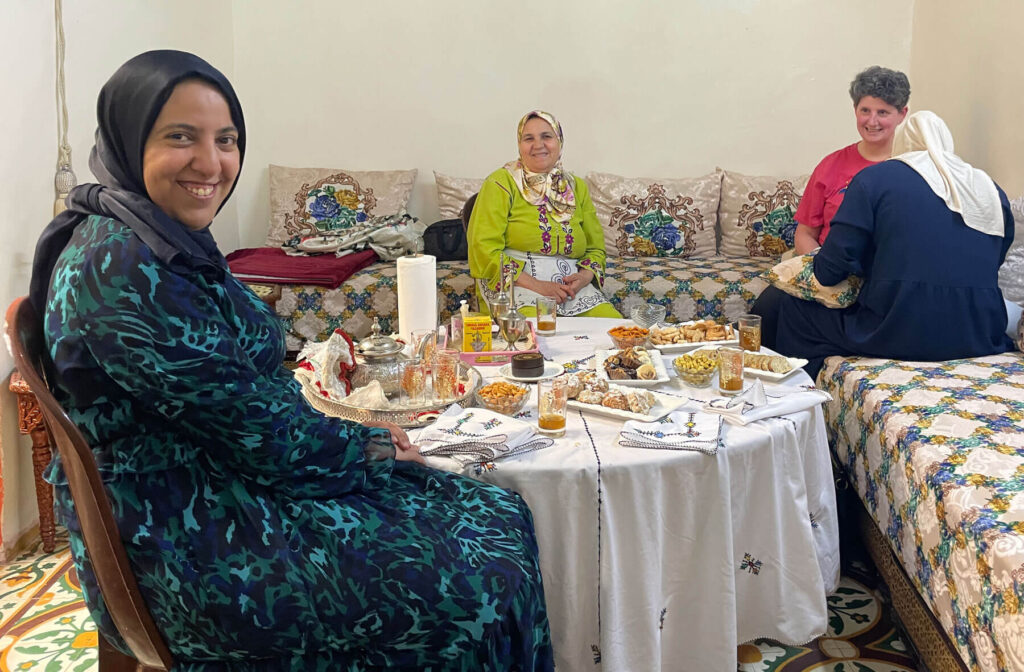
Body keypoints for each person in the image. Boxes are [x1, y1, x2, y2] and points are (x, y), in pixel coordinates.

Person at [29, 50, 554, 671]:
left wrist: (361, 438)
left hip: (221, 485)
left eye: (226, 139)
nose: (211, 161)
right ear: (127, 136)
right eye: (179, 137)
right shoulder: (122, 270)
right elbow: (254, 429)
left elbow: (240, 410)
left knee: (494, 507)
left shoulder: (151, 236)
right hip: (192, 544)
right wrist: (370, 446)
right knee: (484, 570)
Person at [765, 110, 1014, 380]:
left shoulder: (875, 179)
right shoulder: (990, 190)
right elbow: (994, 260)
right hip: (980, 333)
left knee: (793, 310)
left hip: (898, 330)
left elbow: (828, 270)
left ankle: (799, 403)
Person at [468, 110, 622, 317]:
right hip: (517, 283)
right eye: (528, 138)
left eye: (547, 137)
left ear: (559, 142)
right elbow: (483, 248)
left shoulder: (576, 187)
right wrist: (539, 286)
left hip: (571, 288)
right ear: (519, 145)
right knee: (534, 336)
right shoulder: (500, 183)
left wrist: (583, 278)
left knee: (611, 328)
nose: (538, 145)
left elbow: (595, 248)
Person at [793, 66, 910, 254]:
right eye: (865, 110)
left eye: (882, 112)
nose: (872, 122)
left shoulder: (914, 167)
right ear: (855, 110)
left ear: (902, 114)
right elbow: (805, 234)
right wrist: (821, 271)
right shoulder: (830, 165)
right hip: (829, 270)